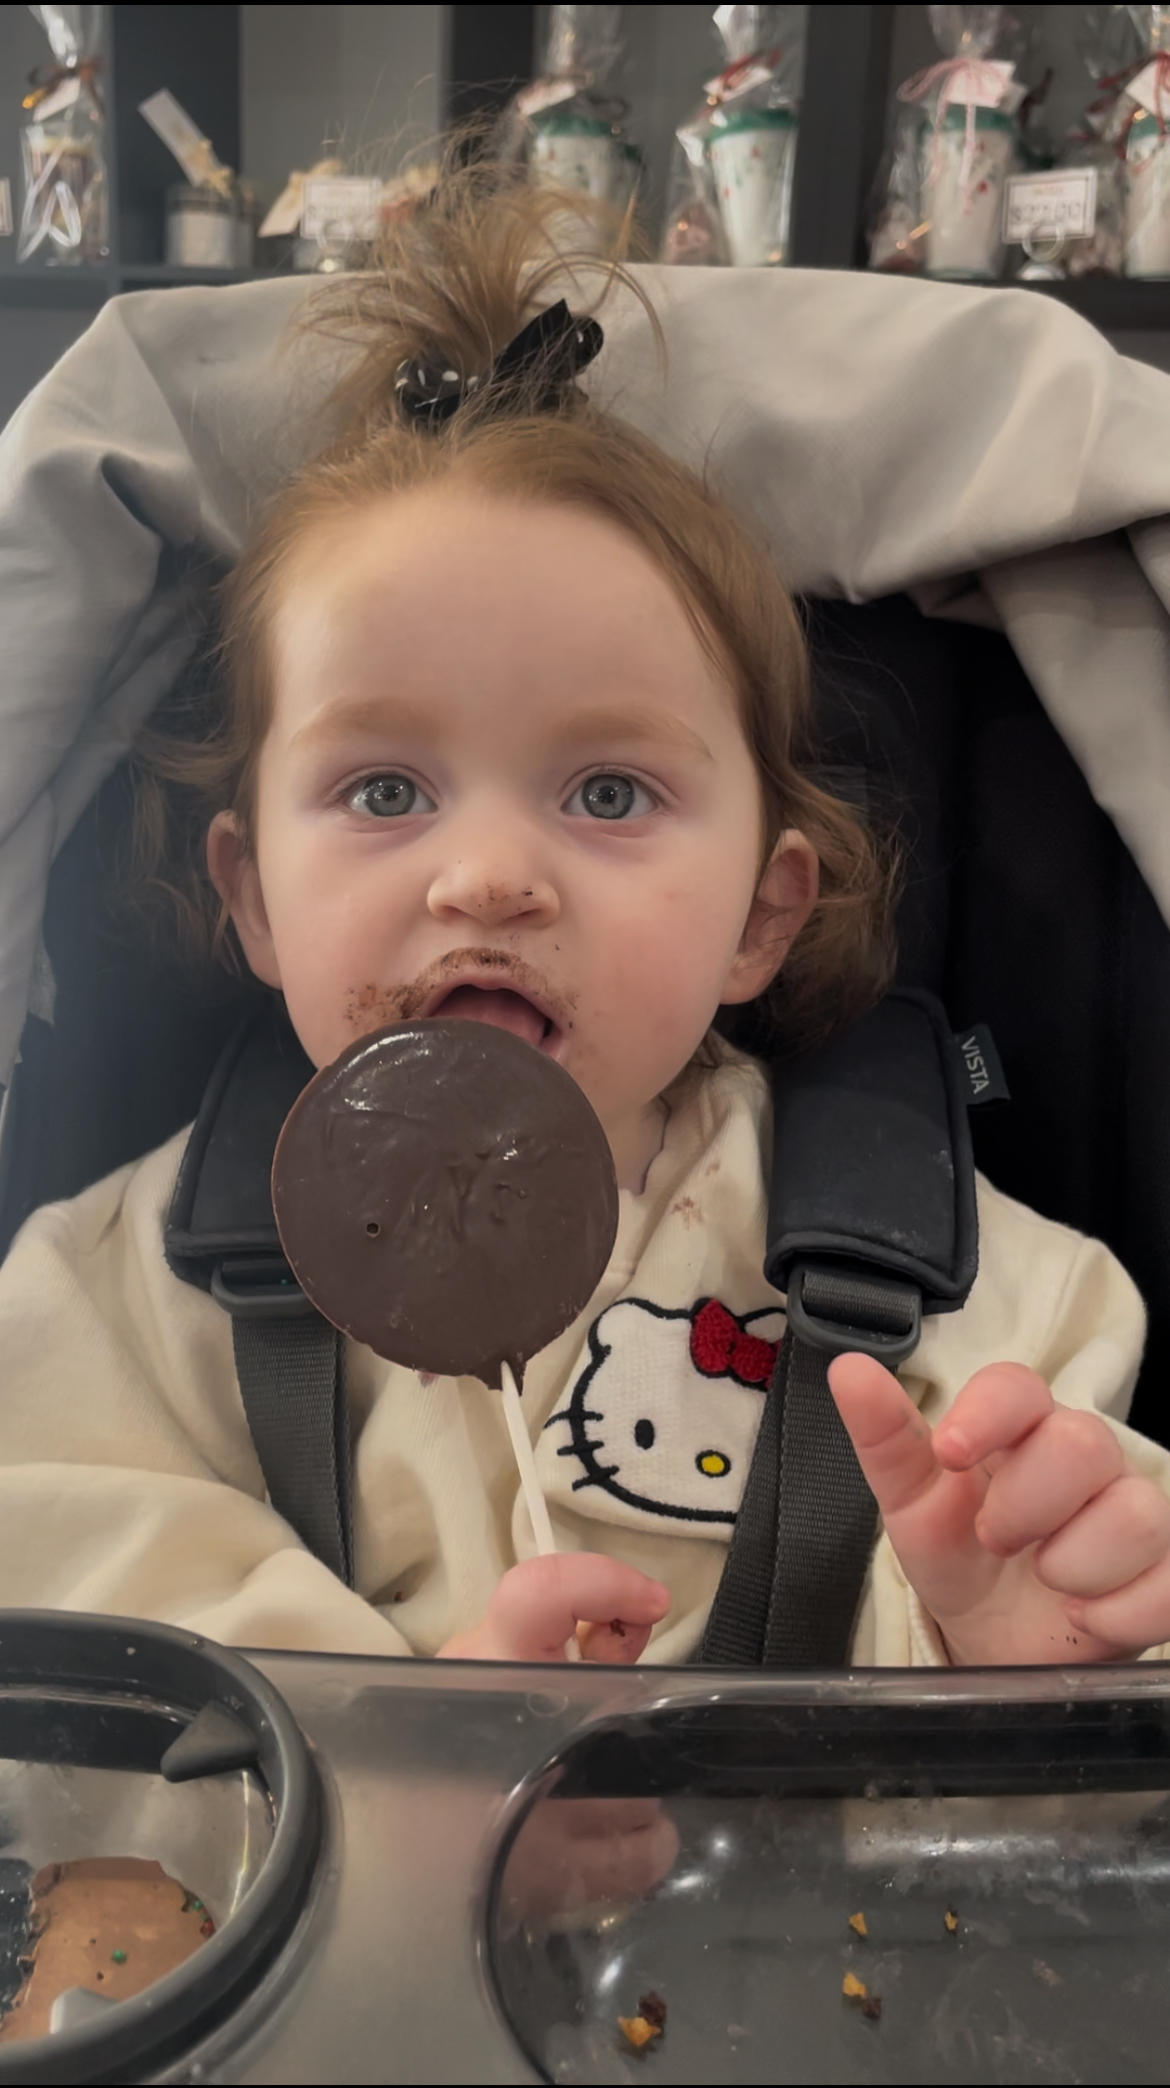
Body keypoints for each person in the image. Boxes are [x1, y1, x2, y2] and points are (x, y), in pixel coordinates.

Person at [2, 156, 1169, 1671]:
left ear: (763, 915)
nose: (487, 877)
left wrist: (996, 1639)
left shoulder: (986, 1307)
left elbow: (1069, 1736)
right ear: (254, 901)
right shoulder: (115, 1297)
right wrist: (410, 1744)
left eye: (608, 796)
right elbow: (63, 1604)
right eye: (381, 791)